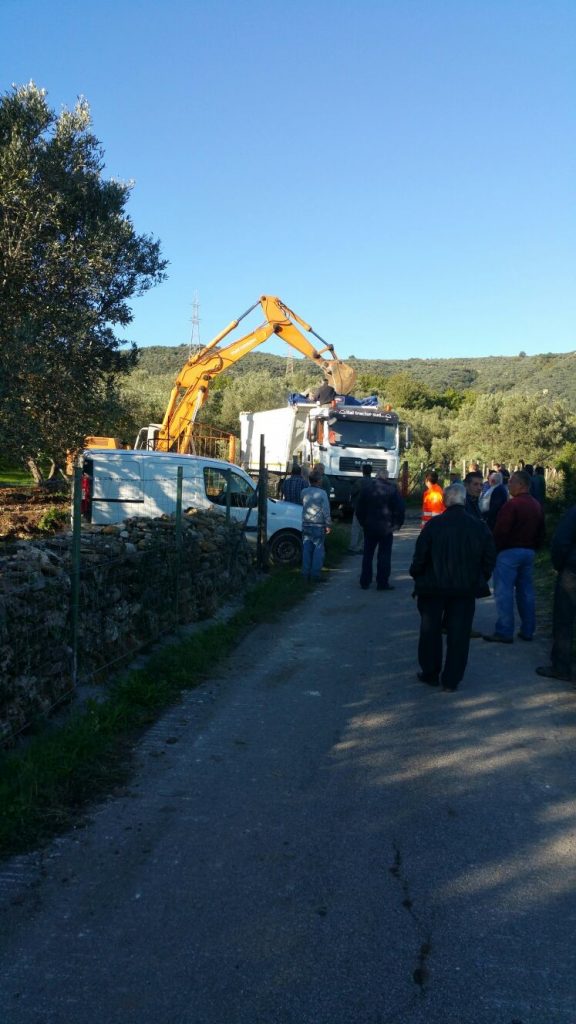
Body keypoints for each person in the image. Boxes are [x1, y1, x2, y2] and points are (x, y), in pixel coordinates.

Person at [410, 483, 496, 692]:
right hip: (464, 589)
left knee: (430, 630)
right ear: (464, 500)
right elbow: (489, 558)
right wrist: (479, 577)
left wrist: (417, 573)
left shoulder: (434, 525)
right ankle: (451, 679)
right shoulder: (479, 526)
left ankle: (430, 672)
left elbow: (420, 556)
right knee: (459, 633)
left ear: (445, 501)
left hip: (433, 586)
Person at [483, 470, 545, 643]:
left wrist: (495, 549)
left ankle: (505, 630)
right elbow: (542, 530)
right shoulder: (536, 504)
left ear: (522, 485)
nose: (508, 485)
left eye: (511, 482)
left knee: (504, 592)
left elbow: (501, 530)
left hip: (509, 552)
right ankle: (528, 629)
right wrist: (535, 548)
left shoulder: (512, 505)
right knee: (526, 591)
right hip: (529, 552)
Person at [536, 505, 576, 682]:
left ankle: (561, 666)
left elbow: (561, 540)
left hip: (573, 571)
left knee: (564, 619)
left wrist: (560, 565)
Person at [356, 469, 405, 591]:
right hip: (386, 528)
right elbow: (400, 508)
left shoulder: (367, 489)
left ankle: (365, 581)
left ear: (376, 476)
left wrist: (363, 523)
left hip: (370, 527)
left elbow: (359, 509)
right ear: (387, 477)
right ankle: (382, 582)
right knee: (384, 555)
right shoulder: (392, 490)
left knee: (367, 555)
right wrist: (397, 525)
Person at [301, 469, 331, 582]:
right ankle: (315, 574)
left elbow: (302, 503)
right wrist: (328, 524)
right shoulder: (322, 493)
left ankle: (305, 573)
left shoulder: (304, 491)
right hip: (318, 524)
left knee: (306, 549)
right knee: (318, 550)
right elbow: (326, 510)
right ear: (319, 481)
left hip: (306, 524)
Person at [348, 463, 373, 553]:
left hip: (359, 508)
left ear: (363, 471)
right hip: (369, 509)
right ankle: (363, 547)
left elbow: (353, 493)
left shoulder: (359, 482)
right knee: (365, 529)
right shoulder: (373, 483)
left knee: (355, 528)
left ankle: (353, 547)